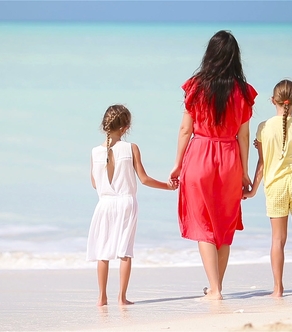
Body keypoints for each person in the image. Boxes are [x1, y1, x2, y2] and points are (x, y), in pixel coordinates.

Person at [169, 30, 257, 300]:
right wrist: (244, 171)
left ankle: (215, 289)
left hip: (199, 154)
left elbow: (186, 130)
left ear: (209, 55)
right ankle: (217, 286)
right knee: (224, 226)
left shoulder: (196, 86)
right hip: (229, 157)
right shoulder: (243, 91)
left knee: (204, 225)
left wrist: (177, 165)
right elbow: (243, 135)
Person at [87, 104, 178, 306]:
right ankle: (122, 297)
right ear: (126, 127)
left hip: (104, 204)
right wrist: (168, 187)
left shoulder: (95, 152)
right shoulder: (131, 148)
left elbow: (95, 183)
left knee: (103, 251)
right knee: (124, 251)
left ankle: (102, 297)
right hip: (126, 203)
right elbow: (144, 179)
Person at [244, 79, 292, 297]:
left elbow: (262, 163)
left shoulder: (264, 128)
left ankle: (278, 289)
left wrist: (252, 190)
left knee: (278, 239)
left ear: (272, 100)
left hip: (276, 185)